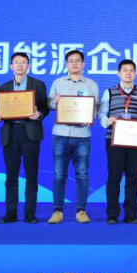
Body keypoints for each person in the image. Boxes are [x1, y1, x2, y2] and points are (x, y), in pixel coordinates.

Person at [47, 49, 99, 224]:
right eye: (71, 61)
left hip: (82, 135)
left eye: (78, 61)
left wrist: (89, 117)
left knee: (82, 174)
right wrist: (54, 101)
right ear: (66, 64)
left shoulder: (91, 84)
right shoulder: (58, 82)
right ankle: (57, 211)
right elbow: (49, 104)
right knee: (59, 174)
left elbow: (96, 108)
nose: (74, 63)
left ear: (83, 64)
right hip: (60, 135)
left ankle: (81, 211)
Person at [0, 52, 49, 224]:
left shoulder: (38, 85)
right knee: (11, 176)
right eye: (16, 62)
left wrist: (39, 114)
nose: (20, 65)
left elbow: (45, 108)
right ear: (11, 66)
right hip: (10, 133)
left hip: (30, 133)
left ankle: (30, 213)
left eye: (23, 62)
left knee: (31, 175)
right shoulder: (3, 87)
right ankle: (10, 213)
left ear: (29, 66)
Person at [99, 59, 137, 224]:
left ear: (135, 73)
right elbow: (101, 113)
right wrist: (106, 120)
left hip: (136, 142)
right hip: (114, 141)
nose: (128, 73)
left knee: (133, 178)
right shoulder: (109, 92)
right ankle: (112, 214)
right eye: (125, 70)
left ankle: (131, 214)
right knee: (114, 178)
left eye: (131, 70)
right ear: (118, 73)